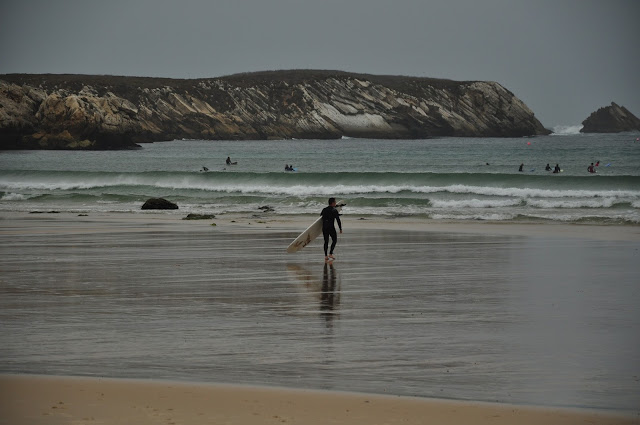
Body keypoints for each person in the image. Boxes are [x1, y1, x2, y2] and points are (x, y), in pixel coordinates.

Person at [320, 197, 342, 261]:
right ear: (332, 203)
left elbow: (321, 216)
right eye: (335, 202)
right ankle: (330, 253)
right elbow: (338, 220)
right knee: (334, 240)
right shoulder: (334, 210)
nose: (335, 203)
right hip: (331, 228)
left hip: (324, 227)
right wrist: (340, 228)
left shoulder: (324, 209)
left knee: (326, 241)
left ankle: (326, 256)